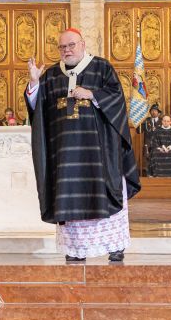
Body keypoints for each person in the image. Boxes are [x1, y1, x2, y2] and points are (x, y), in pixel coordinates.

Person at [25, 28, 140, 263]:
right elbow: (38, 111)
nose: (67, 50)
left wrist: (92, 93)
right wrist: (34, 82)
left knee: (105, 194)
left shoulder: (102, 67)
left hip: (98, 154)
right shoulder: (50, 75)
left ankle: (114, 245)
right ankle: (75, 249)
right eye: (62, 47)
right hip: (64, 156)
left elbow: (117, 99)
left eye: (71, 45)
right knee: (69, 198)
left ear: (83, 44)